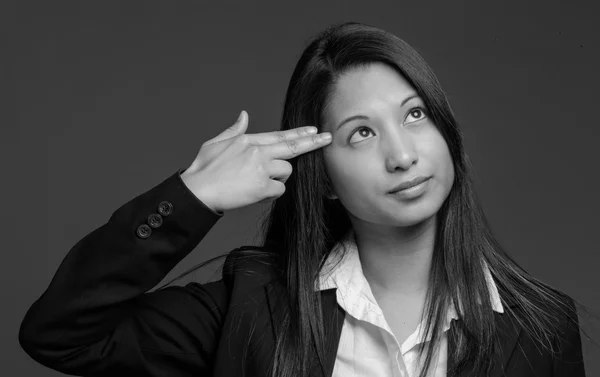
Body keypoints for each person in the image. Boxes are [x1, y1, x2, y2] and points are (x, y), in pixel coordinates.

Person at [19, 21, 591, 377]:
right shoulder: (252, 308)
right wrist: (195, 196)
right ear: (323, 174)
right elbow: (61, 334)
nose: (403, 155)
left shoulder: (540, 327)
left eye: (414, 115)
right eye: (360, 133)